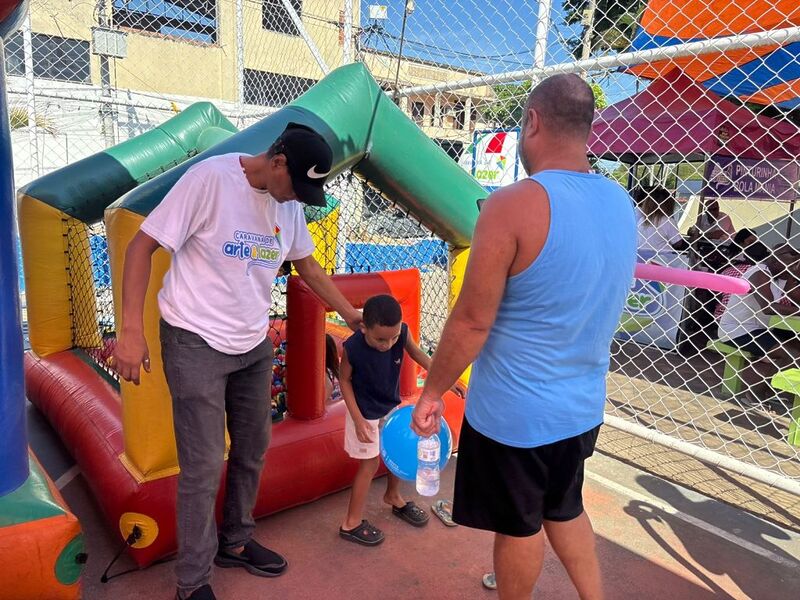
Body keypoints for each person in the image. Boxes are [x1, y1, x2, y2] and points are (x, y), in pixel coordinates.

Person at [111, 123, 362, 600]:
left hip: (252, 343)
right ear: (279, 160)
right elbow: (142, 245)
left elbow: (306, 264)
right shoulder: (211, 180)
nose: (298, 200)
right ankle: (192, 582)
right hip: (195, 340)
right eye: (297, 186)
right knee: (203, 466)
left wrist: (350, 314)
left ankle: (237, 541)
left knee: (251, 449)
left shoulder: (288, 203)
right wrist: (129, 330)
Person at [412, 73, 637, 600]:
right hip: (581, 404)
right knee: (564, 506)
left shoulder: (512, 203)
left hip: (518, 415)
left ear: (532, 121)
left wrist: (430, 393)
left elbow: (470, 320)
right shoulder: (619, 202)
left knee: (519, 525)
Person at [338, 294, 464, 546]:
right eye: (380, 339)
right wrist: (358, 419)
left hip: (390, 406)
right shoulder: (353, 347)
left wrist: (445, 380)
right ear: (364, 327)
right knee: (370, 464)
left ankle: (393, 496)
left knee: (397, 448)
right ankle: (350, 523)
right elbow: (344, 380)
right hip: (363, 412)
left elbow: (419, 355)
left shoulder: (400, 334)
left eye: (393, 338)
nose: (388, 344)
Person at [716, 247, 800, 404]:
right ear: (776, 259)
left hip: (760, 328)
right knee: (791, 354)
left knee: (798, 346)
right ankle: (757, 394)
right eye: (793, 264)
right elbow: (768, 307)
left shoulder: (783, 276)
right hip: (737, 330)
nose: (794, 269)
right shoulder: (760, 273)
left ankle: (780, 390)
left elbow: (796, 298)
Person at [635, 186, 687, 253]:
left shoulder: (642, 220)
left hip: (642, 257)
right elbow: (678, 243)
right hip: (663, 258)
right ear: (668, 204)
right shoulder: (667, 221)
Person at [325, 333, 342, 403]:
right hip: (340, 407)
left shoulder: (323, 371)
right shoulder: (337, 369)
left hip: (330, 410)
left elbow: (329, 387)